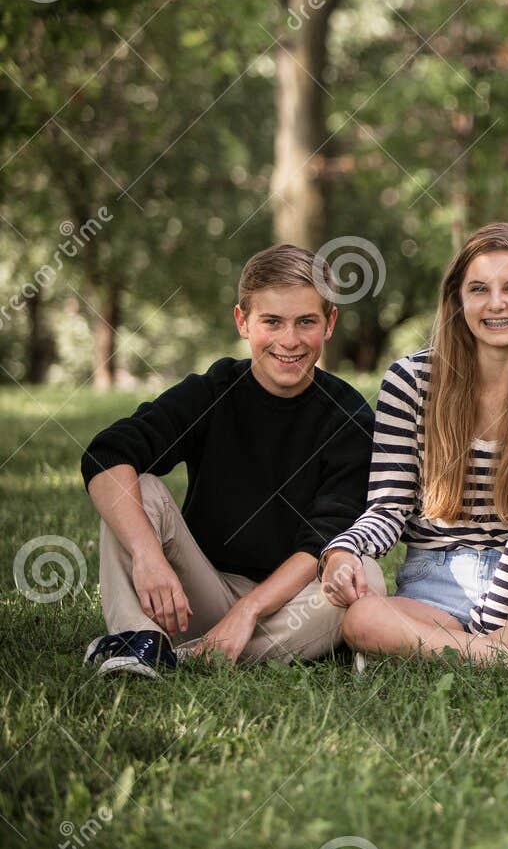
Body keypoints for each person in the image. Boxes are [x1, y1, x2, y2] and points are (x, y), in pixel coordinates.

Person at [319, 223, 508, 665]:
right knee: (363, 620)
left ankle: (465, 657)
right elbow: (388, 506)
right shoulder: (409, 382)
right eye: (480, 288)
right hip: (433, 583)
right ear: (457, 298)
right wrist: (343, 548)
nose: (496, 303)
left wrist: (490, 627)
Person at [81, 244, 374, 677]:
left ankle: (187, 654)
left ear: (329, 323)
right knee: (138, 487)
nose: (289, 341)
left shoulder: (350, 418)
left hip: (292, 601)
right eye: (271, 321)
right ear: (242, 321)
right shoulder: (214, 390)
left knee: (362, 576)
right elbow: (107, 453)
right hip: (198, 593)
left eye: (306, 322)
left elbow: (321, 543)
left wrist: (249, 610)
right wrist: (148, 556)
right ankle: (135, 637)